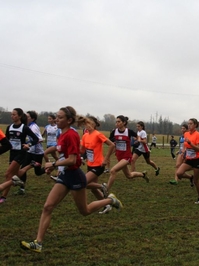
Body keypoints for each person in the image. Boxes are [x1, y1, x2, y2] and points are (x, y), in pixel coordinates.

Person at [20, 106, 123, 253]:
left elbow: (72, 159)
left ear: (69, 120)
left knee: (85, 211)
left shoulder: (72, 135)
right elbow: (66, 155)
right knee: (48, 207)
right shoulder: (61, 134)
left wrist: (54, 164)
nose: (57, 119)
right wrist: (53, 166)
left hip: (75, 176)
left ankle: (110, 200)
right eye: (56, 116)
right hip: (65, 176)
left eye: (60, 117)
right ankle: (38, 243)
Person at [0, 108, 39, 204]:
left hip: (21, 153)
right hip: (12, 153)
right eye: (11, 114)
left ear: (20, 116)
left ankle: (3, 197)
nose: (12, 116)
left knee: (8, 174)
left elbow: (35, 139)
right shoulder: (9, 127)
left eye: (14, 114)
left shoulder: (24, 128)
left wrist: (28, 145)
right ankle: (31, 165)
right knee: (16, 173)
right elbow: (7, 141)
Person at [79, 116, 116, 213]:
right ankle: (107, 204)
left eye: (91, 123)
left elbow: (112, 145)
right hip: (90, 164)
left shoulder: (98, 134)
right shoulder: (85, 136)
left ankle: (102, 186)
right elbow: (82, 151)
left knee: (84, 183)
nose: (88, 125)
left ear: (95, 124)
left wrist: (106, 159)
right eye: (87, 123)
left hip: (99, 165)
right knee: (92, 189)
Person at [107, 116, 149, 193]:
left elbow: (137, 136)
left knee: (113, 171)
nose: (117, 123)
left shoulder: (128, 131)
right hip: (119, 157)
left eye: (119, 121)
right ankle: (143, 175)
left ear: (124, 123)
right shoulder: (114, 132)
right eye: (116, 122)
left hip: (126, 157)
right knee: (129, 176)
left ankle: (105, 191)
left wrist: (138, 140)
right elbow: (110, 141)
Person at [14, 111, 45, 195]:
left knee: (38, 173)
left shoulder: (33, 127)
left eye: (27, 116)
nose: (25, 117)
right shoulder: (27, 126)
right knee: (23, 168)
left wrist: (29, 143)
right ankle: (22, 189)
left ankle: (49, 167)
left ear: (32, 118)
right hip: (29, 151)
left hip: (37, 153)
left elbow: (40, 139)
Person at [176, 118, 199, 204]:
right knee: (179, 173)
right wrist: (184, 151)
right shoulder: (186, 134)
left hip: (197, 159)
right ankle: (190, 177)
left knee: (196, 181)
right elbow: (185, 145)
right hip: (189, 159)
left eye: (191, 124)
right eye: (188, 123)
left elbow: (198, 149)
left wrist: (191, 143)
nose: (189, 125)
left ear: (195, 125)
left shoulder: (198, 135)